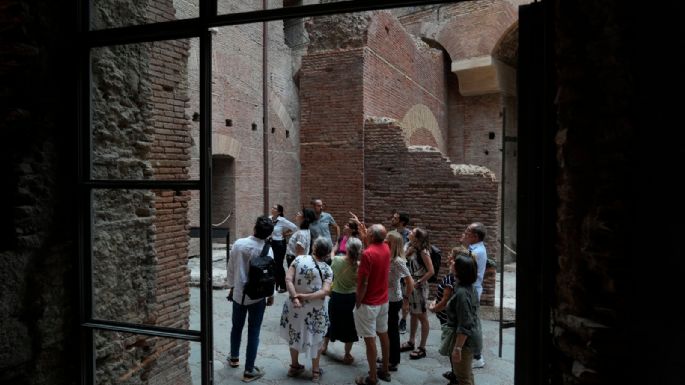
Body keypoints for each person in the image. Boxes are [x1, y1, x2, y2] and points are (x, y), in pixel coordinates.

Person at [225, 215, 275, 382]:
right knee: (254, 332)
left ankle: (234, 357)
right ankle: (248, 370)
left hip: (239, 294)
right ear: (269, 234)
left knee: (236, 327)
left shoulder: (239, 244)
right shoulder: (268, 250)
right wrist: (271, 295)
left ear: (254, 228)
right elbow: (270, 276)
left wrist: (231, 288)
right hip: (257, 296)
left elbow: (231, 268)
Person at [279, 236, 334, 383]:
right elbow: (324, 292)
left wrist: (296, 297)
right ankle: (315, 372)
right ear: (327, 253)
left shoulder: (298, 259)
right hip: (315, 310)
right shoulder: (328, 270)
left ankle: (294, 366)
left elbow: (288, 279)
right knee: (316, 339)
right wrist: (306, 296)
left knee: (294, 334)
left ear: (314, 247)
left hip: (294, 307)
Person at [438, 248, 483, 385]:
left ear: (459, 270)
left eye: (454, 263)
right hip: (469, 337)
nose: (451, 263)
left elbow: (465, 323)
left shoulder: (462, 293)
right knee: (466, 373)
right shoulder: (466, 286)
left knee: (463, 377)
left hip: (465, 342)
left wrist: (458, 348)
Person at [354, 224, 391, 385]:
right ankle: (385, 370)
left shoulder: (367, 254)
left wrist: (358, 301)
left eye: (368, 231)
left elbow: (363, 283)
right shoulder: (386, 248)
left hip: (369, 303)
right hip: (383, 300)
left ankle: (373, 377)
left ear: (371, 236)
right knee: (384, 334)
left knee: (370, 340)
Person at [321, 236, 362, 364]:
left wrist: (335, 247)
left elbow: (332, 256)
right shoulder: (360, 266)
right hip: (350, 298)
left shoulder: (337, 261)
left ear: (347, 249)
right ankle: (347, 354)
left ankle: (324, 347)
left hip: (336, 296)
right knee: (350, 326)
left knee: (331, 321)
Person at [400, 227, 434, 360]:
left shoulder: (423, 251)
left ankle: (422, 347)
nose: (410, 233)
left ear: (418, 238)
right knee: (413, 314)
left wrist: (418, 282)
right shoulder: (408, 245)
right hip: (408, 283)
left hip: (418, 287)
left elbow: (431, 271)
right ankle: (411, 341)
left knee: (422, 316)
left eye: (413, 233)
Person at [429, 246, 461, 383]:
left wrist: (433, 308)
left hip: (448, 319)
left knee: (452, 347)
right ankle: (455, 372)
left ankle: (456, 376)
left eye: (451, 256)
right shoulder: (453, 276)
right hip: (448, 318)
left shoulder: (450, 279)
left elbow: (445, 301)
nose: (448, 258)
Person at [385, 230, 414, 372]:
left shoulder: (397, 261)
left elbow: (410, 281)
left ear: (393, 243)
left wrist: (407, 299)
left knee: (392, 331)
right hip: (386, 298)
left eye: (387, 240)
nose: (384, 241)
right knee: (386, 330)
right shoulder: (388, 257)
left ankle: (393, 361)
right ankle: (388, 356)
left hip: (394, 299)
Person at [461, 222, 488, 369]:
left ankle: (477, 357)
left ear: (475, 236)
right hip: (471, 288)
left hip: (472, 290)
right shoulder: (474, 248)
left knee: (472, 323)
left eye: (468, 232)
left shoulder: (477, 252)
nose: (465, 233)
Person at [270, 204, 298, 293]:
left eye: (274, 208)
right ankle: (275, 284)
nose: (272, 209)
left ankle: (283, 285)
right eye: (272, 207)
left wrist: (286, 234)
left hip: (279, 244)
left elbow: (294, 228)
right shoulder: (269, 218)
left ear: (279, 212)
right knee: (272, 264)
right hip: (271, 243)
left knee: (279, 265)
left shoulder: (282, 220)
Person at [391, 211, 411, 334]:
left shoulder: (409, 235)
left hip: (404, 269)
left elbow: (407, 253)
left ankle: (403, 320)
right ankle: (394, 318)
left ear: (402, 222)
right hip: (393, 269)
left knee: (404, 298)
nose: (392, 219)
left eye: (395, 218)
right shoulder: (392, 234)